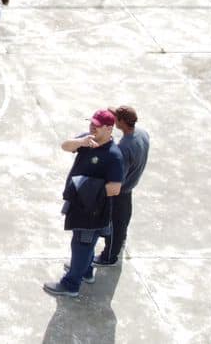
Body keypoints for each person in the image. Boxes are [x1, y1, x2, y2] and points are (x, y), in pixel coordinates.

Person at [45, 110, 125, 298]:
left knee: (82, 245)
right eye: (92, 123)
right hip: (79, 205)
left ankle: (71, 284)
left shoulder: (114, 156)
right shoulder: (87, 140)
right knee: (83, 245)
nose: (92, 127)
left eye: (97, 125)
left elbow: (115, 188)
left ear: (108, 128)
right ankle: (86, 271)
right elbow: (65, 146)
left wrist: (86, 190)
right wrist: (81, 142)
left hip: (93, 212)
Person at [98, 105, 149, 267]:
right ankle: (121, 241)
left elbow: (117, 177)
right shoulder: (142, 134)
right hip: (130, 187)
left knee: (114, 225)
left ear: (122, 122)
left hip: (120, 191)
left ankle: (109, 256)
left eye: (116, 119)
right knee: (124, 218)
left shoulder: (124, 148)